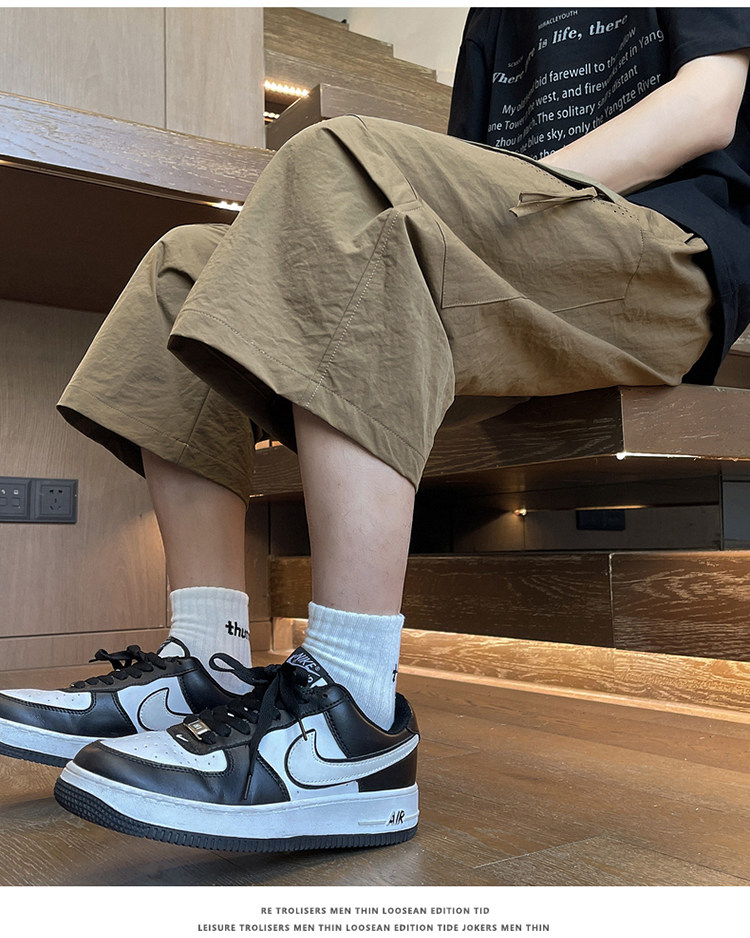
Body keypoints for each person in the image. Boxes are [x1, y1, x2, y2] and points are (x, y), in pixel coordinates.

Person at [1, 7, 748, 852]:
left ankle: (353, 718)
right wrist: (472, 201)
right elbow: (467, 165)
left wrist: (487, 199)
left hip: (666, 251)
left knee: (338, 166)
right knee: (184, 267)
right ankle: (207, 665)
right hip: (520, 254)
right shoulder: (496, 19)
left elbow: (707, 107)